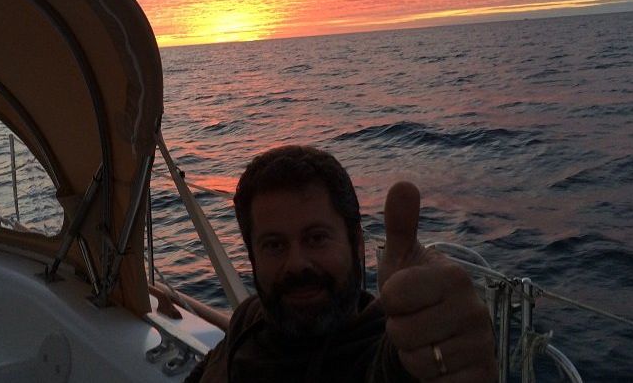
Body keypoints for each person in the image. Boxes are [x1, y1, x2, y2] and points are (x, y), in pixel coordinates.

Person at [185, 145, 497, 383]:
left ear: (356, 243)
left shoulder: (385, 351)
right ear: (253, 256)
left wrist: (445, 348)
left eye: (316, 238)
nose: (296, 264)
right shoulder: (247, 319)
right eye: (274, 245)